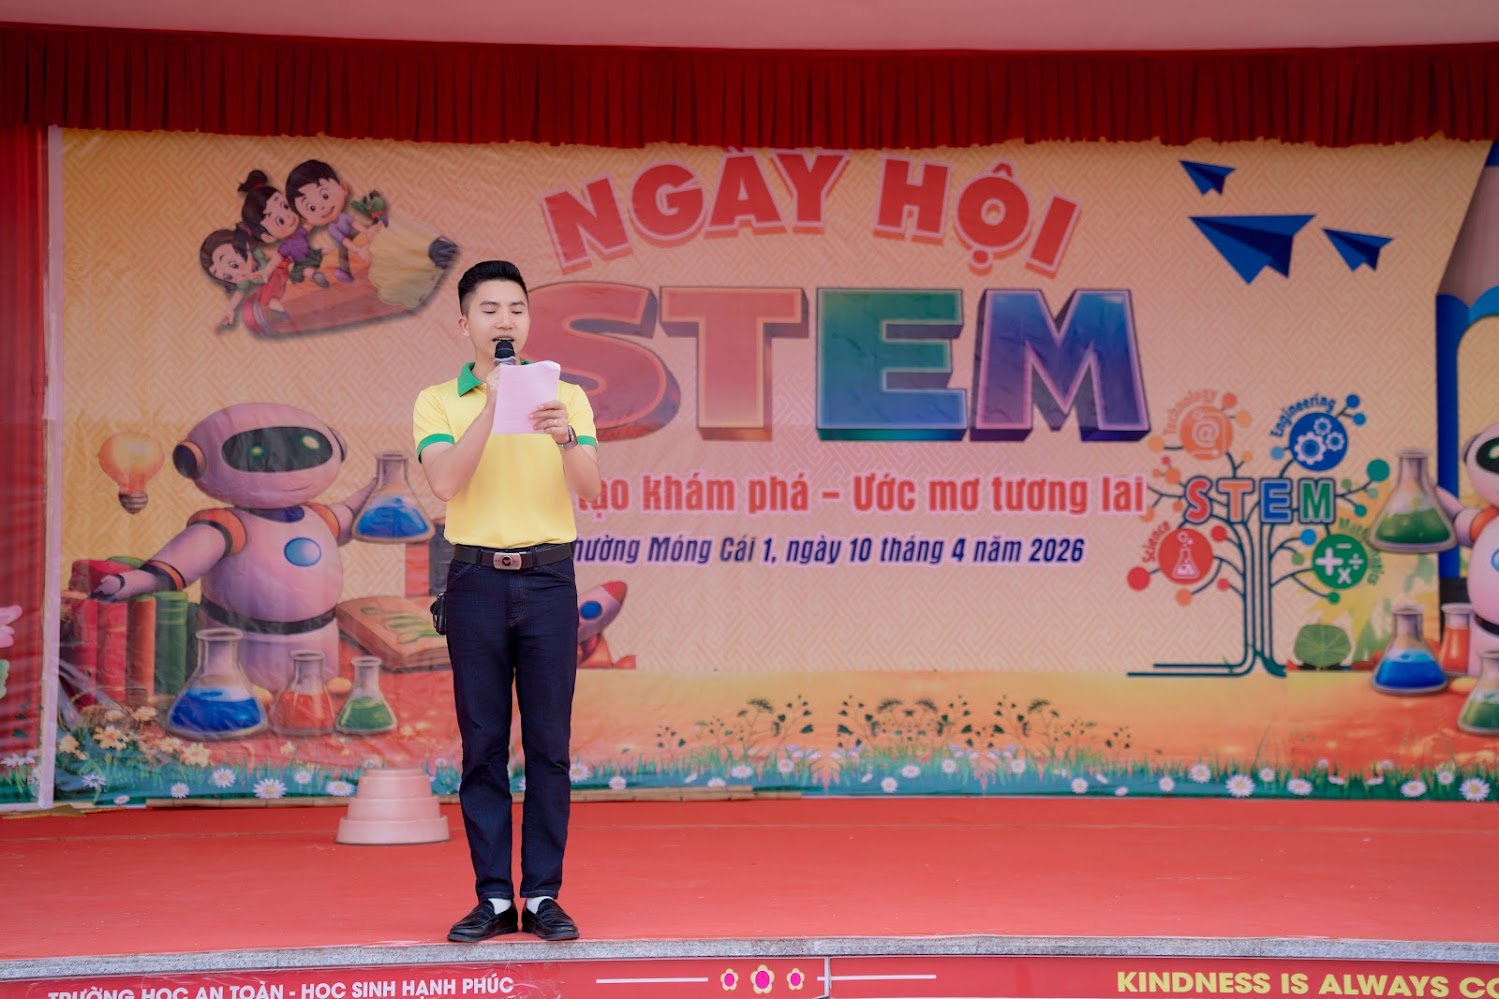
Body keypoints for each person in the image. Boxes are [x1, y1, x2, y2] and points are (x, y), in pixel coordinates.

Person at [412, 259, 601, 942]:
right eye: (490, 310)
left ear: (529, 320)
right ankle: (493, 898)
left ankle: (543, 893)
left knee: (549, 745)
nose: (505, 321)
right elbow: (444, 482)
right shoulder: (438, 400)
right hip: (476, 581)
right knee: (482, 744)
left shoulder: (567, 397)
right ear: (464, 323)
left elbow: (590, 487)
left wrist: (565, 436)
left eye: (516, 309)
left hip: (548, 579)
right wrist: (494, 405)